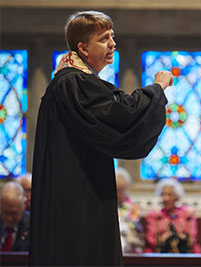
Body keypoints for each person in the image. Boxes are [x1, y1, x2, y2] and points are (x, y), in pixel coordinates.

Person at [29, 11, 173, 266]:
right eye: (104, 38)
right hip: (79, 198)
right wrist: (157, 89)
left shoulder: (72, 80)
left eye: (112, 37)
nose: (113, 44)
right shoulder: (74, 82)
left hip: (75, 192)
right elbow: (124, 113)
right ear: (83, 48)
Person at [145, 178, 201, 253]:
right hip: (160, 251)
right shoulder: (154, 214)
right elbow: (150, 238)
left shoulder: (187, 213)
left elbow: (193, 238)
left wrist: (183, 238)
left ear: (177, 197)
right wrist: (162, 239)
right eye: (163, 194)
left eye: (169, 194)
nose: (165, 198)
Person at [115, 167, 145, 254]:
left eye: (120, 191)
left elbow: (135, 229)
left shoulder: (133, 208)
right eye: (115, 191)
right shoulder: (107, 207)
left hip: (130, 244)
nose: (118, 195)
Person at [0, 182, 30, 251]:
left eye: (14, 213)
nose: (9, 218)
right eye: (5, 212)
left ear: (24, 205)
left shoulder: (33, 226)